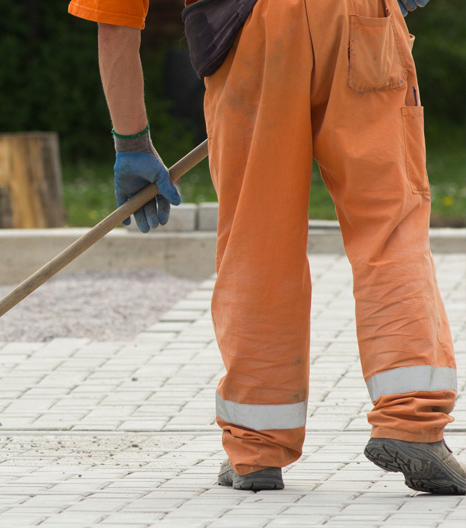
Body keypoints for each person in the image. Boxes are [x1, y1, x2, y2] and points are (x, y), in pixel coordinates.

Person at [68, 0, 465, 494]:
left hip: (251, 32)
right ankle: (412, 423)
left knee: (259, 241)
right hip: (358, 17)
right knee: (390, 230)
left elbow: (115, 25)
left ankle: (257, 446)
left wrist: (132, 143)